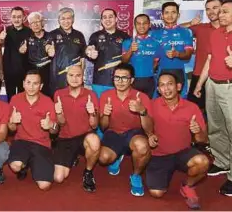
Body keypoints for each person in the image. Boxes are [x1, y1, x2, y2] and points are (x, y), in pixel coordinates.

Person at [194, 0, 232, 197]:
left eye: (225, 11)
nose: (220, 15)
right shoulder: (216, 33)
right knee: (216, 128)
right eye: (219, 11)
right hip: (213, 85)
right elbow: (210, 59)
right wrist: (200, 84)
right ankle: (222, 162)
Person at [147, 72, 209, 210]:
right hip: (159, 155)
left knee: (202, 162)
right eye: (162, 85)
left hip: (182, 152)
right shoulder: (151, 105)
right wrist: (149, 135)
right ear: (158, 90)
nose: (166, 89)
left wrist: (197, 130)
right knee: (156, 193)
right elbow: (146, 128)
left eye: (170, 84)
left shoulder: (192, 107)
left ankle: (187, 185)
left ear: (179, 86)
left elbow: (203, 140)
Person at [98, 63, 153, 197]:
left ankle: (136, 175)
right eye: (117, 78)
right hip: (113, 133)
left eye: (124, 78)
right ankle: (118, 155)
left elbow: (149, 129)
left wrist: (142, 112)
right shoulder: (106, 96)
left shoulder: (142, 97)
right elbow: (103, 127)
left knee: (142, 146)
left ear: (132, 80)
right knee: (103, 158)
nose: (120, 82)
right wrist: (105, 114)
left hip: (133, 133)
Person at [53, 65, 100, 192]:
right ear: (66, 78)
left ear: (83, 78)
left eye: (78, 75)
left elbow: (94, 125)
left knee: (94, 141)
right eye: (71, 75)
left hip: (84, 136)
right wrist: (58, 113)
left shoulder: (91, 95)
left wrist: (92, 113)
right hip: (65, 138)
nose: (74, 79)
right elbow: (61, 124)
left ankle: (88, 172)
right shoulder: (59, 94)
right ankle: (73, 157)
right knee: (58, 178)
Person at [8, 70, 57, 190]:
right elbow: (11, 129)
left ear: (41, 86)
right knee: (15, 166)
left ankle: (32, 161)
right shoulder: (15, 99)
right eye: (28, 83)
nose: (31, 87)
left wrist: (51, 125)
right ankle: (24, 164)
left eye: (35, 83)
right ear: (23, 83)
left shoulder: (48, 101)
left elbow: (55, 130)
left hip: (41, 144)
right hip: (21, 141)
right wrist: (12, 122)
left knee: (44, 186)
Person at [182, 0, 223, 112]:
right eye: (208, 9)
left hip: (221, 77)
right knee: (194, 112)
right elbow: (177, 30)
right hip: (199, 75)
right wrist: (190, 23)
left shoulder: (230, 29)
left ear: (223, 8)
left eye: (215, 8)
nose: (211, 12)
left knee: (219, 116)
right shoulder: (201, 28)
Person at [151, 2, 194, 98]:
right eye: (166, 12)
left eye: (173, 12)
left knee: (181, 103)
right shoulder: (154, 34)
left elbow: (188, 55)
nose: (170, 15)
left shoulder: (186, 32)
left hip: (179, 72)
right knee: (159, 104)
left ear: (178, 15)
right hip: (160, 72)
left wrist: (177, 54)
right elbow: (153, 59)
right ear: (162, 15)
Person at [86, 8, 130, 97]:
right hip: (99, 82)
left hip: (120, 82)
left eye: (110, 17)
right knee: (99, 109)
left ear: (116, 19)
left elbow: (128, 59)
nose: (108, 19)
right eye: (104, 17)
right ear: (101, 21)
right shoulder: (95, 36)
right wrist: (89, 52)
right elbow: (90, 49)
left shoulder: (125, 36)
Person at [46, 7, 86, 97]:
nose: (66, 21)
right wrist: (49, 50)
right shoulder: (52, 34)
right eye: (63, 18)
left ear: (73, 19)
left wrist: (81, 75)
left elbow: (83, 58)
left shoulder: (79, 35)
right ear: (59, 20)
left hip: (75, 79)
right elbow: (48, 46)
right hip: (57, 78)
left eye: (68, 18)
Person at [122, 14, 160, 98]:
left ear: (149, 25)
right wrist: (130, 50)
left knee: (149, 108)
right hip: (132, 81)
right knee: (132, 108)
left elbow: (156, 62)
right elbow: (124, 61)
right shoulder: (128, 42)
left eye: (145, 23)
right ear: (135, 25)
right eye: (138, 23)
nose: (141, 26)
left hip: (150, 81)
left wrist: (149, 72)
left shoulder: (156, 43)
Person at [0, 6, 32, 102]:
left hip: (25, 72)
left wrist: (27, 49)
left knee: (24, 99)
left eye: (19, 17)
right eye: (14, 17)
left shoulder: (30, 32)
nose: (16, 19)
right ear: (11, 18)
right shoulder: (6, 31)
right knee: (11, 98)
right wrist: (1, 39)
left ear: (23, 17)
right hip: (9, 71)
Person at [19, 12, 51, 96]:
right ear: (30, 25)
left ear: (42, 22)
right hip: (32, 75)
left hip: (48, 75)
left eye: (37, 21)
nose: (35, 25)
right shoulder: (26, 38)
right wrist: (21, 51)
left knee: (47, 99)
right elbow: (21, 52)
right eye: (32, 23)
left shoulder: (51, 37)